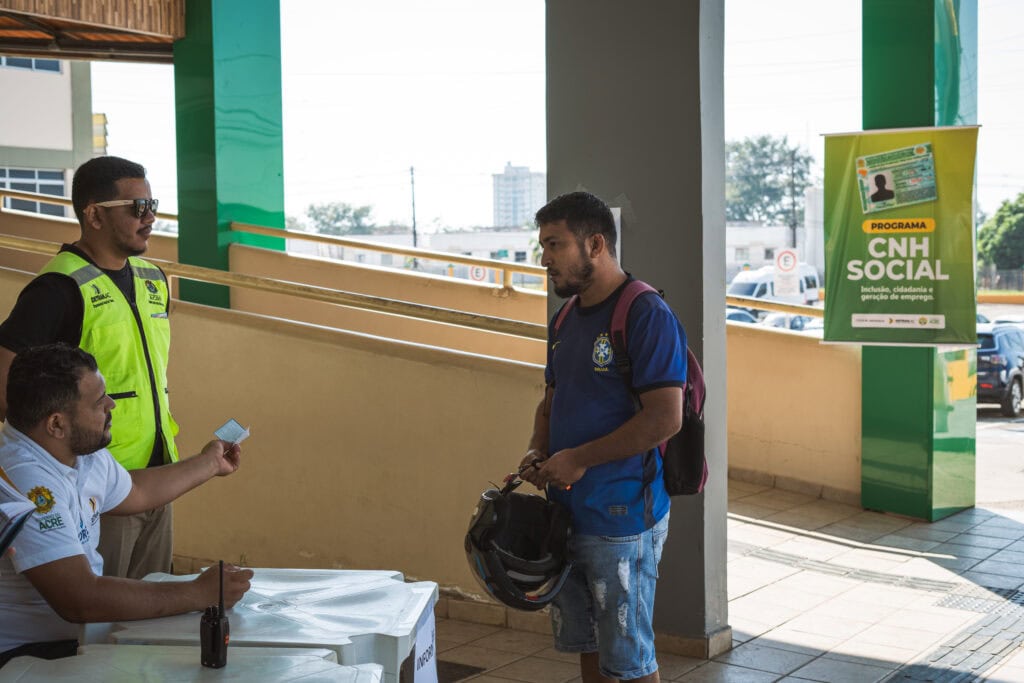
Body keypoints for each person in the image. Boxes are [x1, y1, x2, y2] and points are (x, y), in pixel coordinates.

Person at [519, 191, 686, 683]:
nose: (544, 258)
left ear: (595, 244)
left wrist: (580, 459)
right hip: (568, 514)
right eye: (542, 245)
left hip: (623, 518)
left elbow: (665, 418)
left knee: (630, 660)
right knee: (588, 648)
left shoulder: (645, 313)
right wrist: (538, 448)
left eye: (555, 244)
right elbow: (552, 398)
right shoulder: (565, 318)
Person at [0, 344, 253, 666]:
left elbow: (135, 491)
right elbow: (78, 599)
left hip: (75, 639)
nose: (111, 405)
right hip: (23, 654)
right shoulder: (24, 482)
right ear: (56, 424)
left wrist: (209, 463)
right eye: (98, 402)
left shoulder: (77, 452)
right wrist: (198, 593)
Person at [0, 156, 178, 580]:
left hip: (156, 477)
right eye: (136, 207)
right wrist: (64, 464)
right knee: (103, 621)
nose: (150, 216)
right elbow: (8, 388)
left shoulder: (153, 279)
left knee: (152, 616)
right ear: (94, 214)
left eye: (152, 203)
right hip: (97, 487)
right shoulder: (56, 289)